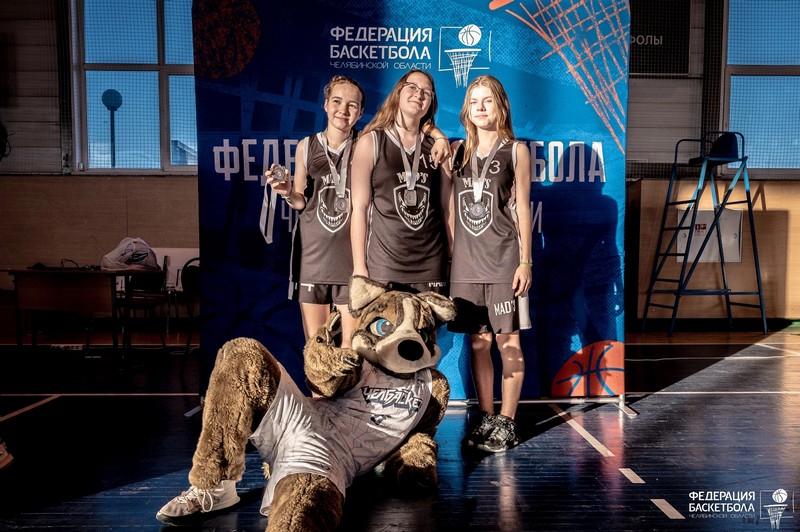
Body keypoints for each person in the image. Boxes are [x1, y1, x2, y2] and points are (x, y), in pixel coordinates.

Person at [266, 75, 451, 347]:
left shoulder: (365, 140)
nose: (343, 110)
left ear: (361, 112)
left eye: (352, 105)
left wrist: (438, 134)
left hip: (351, 257)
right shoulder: (306, 146)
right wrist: (286, 191)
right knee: (316, 345)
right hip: (314, 256)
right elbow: (301, 201)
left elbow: (412, 123)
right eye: (337, 102)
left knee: (353, 344)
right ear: (325, 104)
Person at [446, 75, 532, 453]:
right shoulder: (456, 152)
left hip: (503, 262)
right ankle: (486, 418)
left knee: (507, 341)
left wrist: (525, 261)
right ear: (466, 109)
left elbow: (523, 209)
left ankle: (508, 422)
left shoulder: (516, 151)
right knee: (478, 343)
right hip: (466, 267)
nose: (480, 108)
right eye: (474, 102)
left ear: (501, 107)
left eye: (488, 101)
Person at [350, 69, 451, 294]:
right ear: (398, 92)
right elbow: (360, 209)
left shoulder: (438, 148)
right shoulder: (371, 142)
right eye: (412, 87)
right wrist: (359, 267)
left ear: (431, 102)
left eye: (427, 92)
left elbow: (447, 209)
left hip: (430, 266)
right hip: (385, 265)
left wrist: (450, 258)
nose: (419, 94)